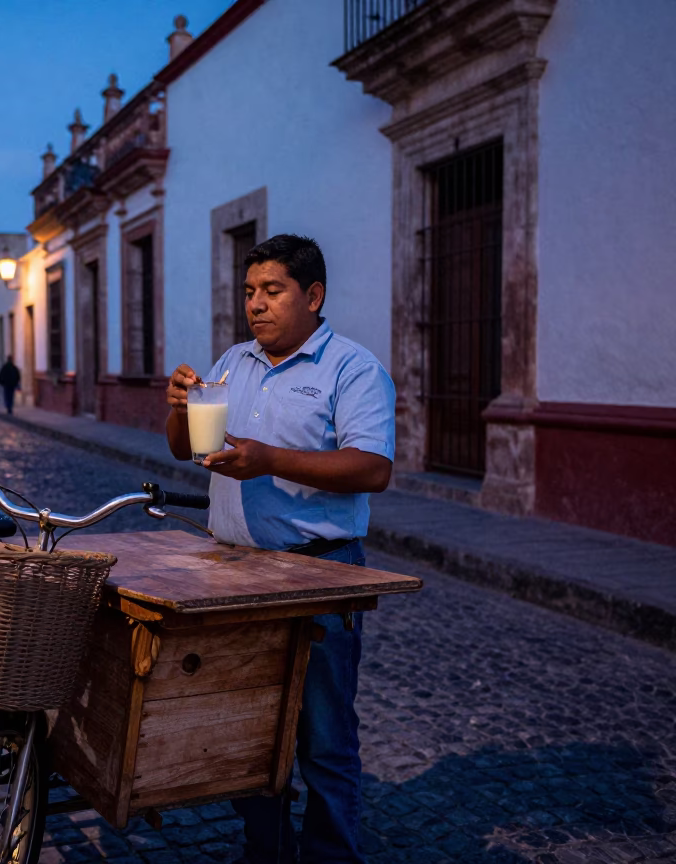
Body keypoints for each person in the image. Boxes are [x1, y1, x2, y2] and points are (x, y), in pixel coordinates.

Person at [165, 234, 395, 864]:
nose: (256, 305)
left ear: (313, 295)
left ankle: (329, 854)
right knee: (250, 730)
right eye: (249, 292)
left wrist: (267, 460)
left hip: (318, 574)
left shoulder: (352, 368)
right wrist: (178, 407)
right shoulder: (233, 363)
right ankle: (265, 850)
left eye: (273, 291)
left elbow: (373, 467)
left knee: (324, 738)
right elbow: (184, 450)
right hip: (234, 573)